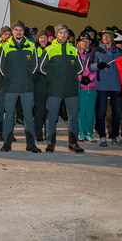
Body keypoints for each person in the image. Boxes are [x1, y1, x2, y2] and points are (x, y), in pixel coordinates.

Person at [0, 21, 40, 153]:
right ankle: (7, 144)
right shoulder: (6, 47)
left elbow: (35, 66)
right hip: (11, 88)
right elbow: (1, 67)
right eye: (16, 29)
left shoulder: (31, 46)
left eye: (21, 30)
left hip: (27, 88)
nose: (18, 32)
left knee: (28, 116)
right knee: (9, 116)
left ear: (23, 32)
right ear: (12, 32)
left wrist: (26, 78)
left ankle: (31, 144)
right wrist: (11, 79)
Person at [43, 24, 84, 153]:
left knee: (73, 117)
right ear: (56, 34)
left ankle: (73, 143)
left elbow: (80, 69)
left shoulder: (74, 50)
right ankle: (50, 142)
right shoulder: (49, 49)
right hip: (54, 90)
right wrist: (53, 78)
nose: (64, 34)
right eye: (61, 32)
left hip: (71, 90)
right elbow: (41, 68)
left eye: (65, 32)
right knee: (52, 117)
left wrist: (71, 77)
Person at [90, 29, 122, 147]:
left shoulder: (119, 51)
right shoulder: (97, 50)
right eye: (103, 36)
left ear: (112, 38)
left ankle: (115, 136)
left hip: (116, 85)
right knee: (101, 112)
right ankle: (102, 136)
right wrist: (98, 65)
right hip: (102, 85)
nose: (105, 37)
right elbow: (90, 66)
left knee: (116, 112)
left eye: (107, 36)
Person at [76, 33, 97, 142]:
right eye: (82, 41)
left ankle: (89, 132)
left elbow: (96, 68)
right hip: (80, 87)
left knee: (90, 111)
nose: (84, 43)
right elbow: (73, 68)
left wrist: (90, 78)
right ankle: (81, 131)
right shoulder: (75, 54)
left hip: (91, 86)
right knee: (80, 110)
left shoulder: (93, 55)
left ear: (90, 44)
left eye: (87, 41)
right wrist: (81, 78)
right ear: (79, 43)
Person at [0, 26, 12, 141]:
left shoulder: (13, 47)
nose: (7, 36)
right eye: (5, 34)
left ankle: (9, 132)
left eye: (9, 34)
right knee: (0, 108)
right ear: (1, 35)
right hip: (0, 82)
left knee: (10, 109)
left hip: (12, 83)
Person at [32, 31, 50, 142]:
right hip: (38, 86)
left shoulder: (51, 49)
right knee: (40, 111)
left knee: (49, 111)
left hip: (50, 85)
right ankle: (38, 133)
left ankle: (48, 133)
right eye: (41, 37)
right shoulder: (34, 50)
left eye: (45, 37)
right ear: (38, 39)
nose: (43, 39)